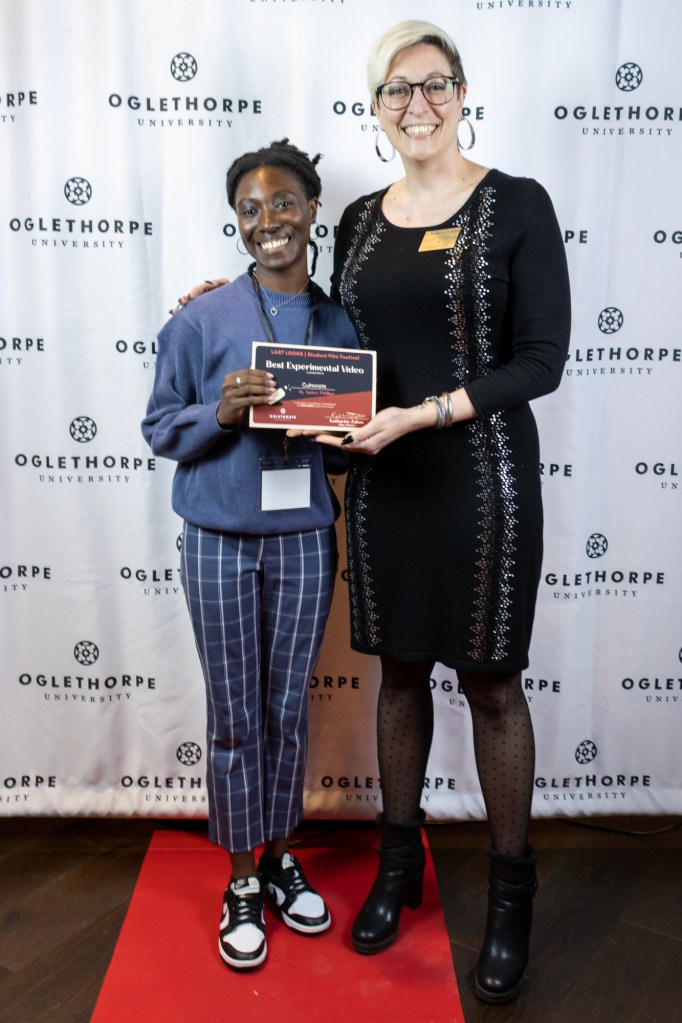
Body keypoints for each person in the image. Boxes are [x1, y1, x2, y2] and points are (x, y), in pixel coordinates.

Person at [175, 19, 571, 1003]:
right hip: (382, 484)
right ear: (377, 107)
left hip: (480, 480)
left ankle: (510, 898)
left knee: (490, 685)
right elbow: (315, 318)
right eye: (397, 88)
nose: (417, 104)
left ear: (462, 93)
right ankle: (397, 869)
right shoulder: (356, 219)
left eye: (434, 84)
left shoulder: (517, 203)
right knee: (398, 676)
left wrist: (422, 415)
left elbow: (540, 361)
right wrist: (226, 304)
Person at [142, 139, 359, 972]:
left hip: (303, 539)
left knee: (286, 710)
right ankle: (240, 877)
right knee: (235, 714)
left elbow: (351, 444)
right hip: (218, 542)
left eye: (284, 203)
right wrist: (219, 413)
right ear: (237, 222)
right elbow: (160, 426)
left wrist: (345, 432)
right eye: (250, 209)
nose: (268, 220)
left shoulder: (339, 324)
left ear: (312, 210)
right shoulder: (200, 319)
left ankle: (277, 856)